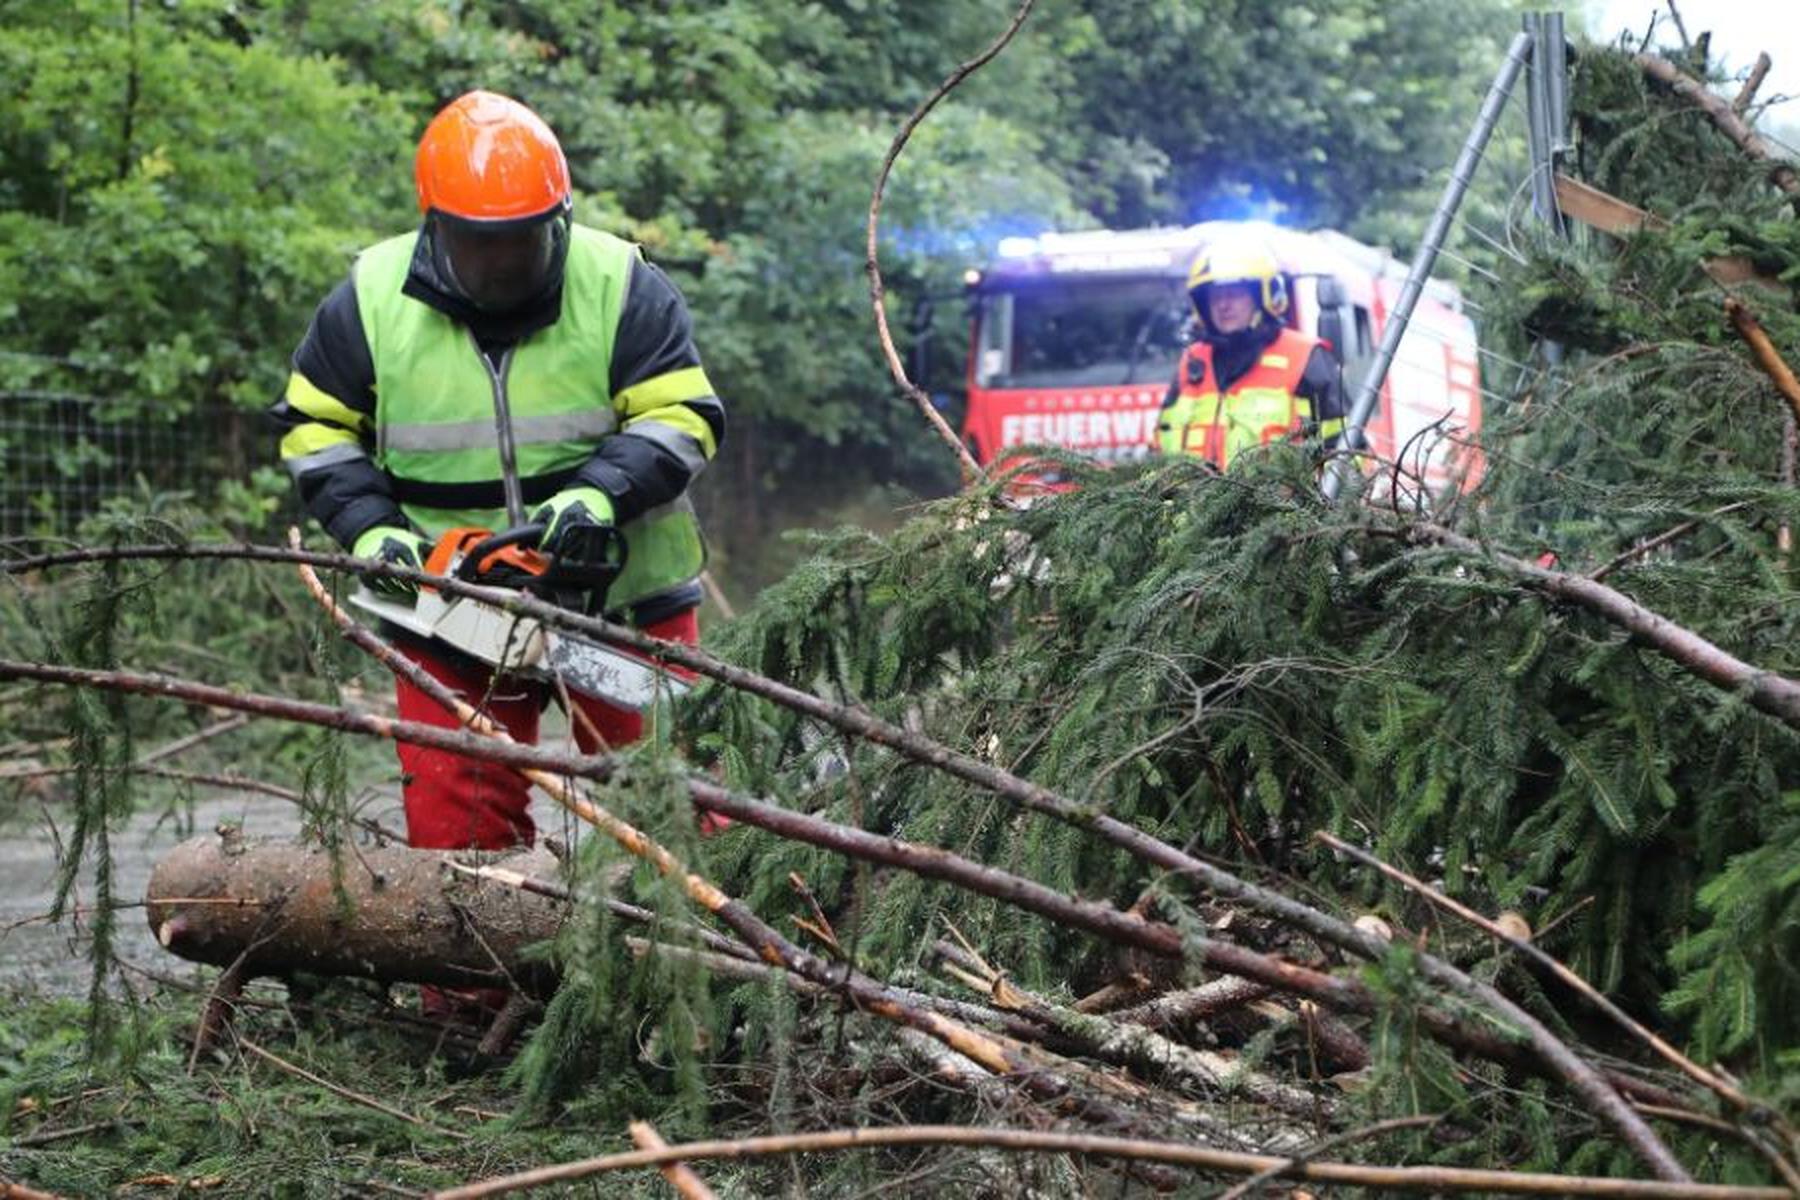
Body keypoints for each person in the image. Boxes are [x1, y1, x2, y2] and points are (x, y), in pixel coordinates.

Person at [270, 90, 724, 855]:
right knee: (460, 840)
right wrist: (373, 533)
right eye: (483, 242)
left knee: (679, 814)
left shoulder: (619, 283)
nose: (506, 259)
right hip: (448, 607)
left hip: (622, 604)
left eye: (525, 238)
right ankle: (469, 977)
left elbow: (683, 415)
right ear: (436, 224)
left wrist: (598, 494)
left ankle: (703, 966)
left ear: (560, 217)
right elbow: (316, 428)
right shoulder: (370, 302)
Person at [1156, 236, 1345, 468]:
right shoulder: (1193, 363)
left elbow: (1344, 451)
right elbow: (1160, 446)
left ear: (1263, 296)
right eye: (1215, 296)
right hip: (1194, 504)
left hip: (1281, 505)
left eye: (1234, 293)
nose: (1223, 305)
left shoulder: (1305, 357)